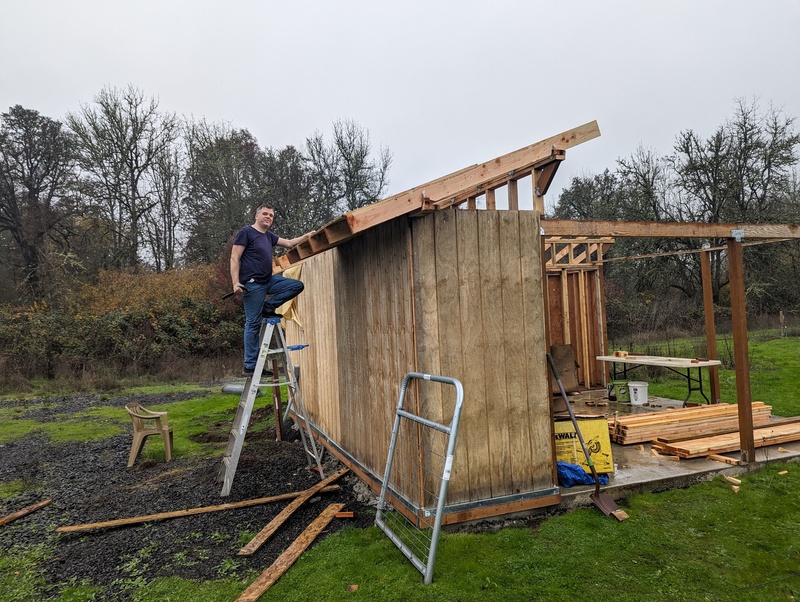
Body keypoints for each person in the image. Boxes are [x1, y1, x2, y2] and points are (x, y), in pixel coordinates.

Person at [230, 204, 315, 375]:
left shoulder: (269, 236)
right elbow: (235, 257)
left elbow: (289, 243)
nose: (268, 217)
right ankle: (250, 366)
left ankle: (269, 308)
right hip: (252, 285)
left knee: (296, 285)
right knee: (253, 324)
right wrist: (235, 283)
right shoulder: (246, 232)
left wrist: (306, 236)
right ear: (257, 216)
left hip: (268, 281)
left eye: (271, 215)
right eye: (265, 214)